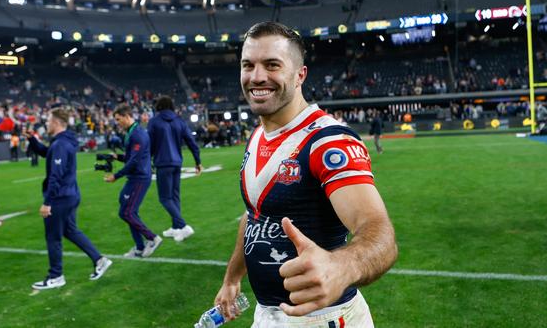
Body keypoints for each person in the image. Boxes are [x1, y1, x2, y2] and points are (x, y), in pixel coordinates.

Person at [213, 22, 397, 326]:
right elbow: (255, 215)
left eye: (272, 65)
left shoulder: (328, 141)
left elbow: (378, 231)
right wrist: (232, 278)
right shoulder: (258, 135)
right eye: (248, 65)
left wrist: (342, 267)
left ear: (300, 75)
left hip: (323, 319)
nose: (257, 76)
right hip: (267, 315)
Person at [27, 107, 112, 289]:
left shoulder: (60, 144)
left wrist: (47, 203)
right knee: (70, 231)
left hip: (60, 198)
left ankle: (56, 276)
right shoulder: (63, 142)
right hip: (70, 194)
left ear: (57, 122)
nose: (47, 123)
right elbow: (47, 154)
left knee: (53, 236)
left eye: (49, 120)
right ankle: (99, 260)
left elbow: (55, 176)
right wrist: (32, 140)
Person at [104, 105, 163, 258]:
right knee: (128, 209)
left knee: (126, 212)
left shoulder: (138, 134)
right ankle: (139, 247)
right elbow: (131, 158)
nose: (117, 123)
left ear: (127, 116)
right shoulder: (131, 132)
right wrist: (118, 157)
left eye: (118, 119)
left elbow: (134, 162)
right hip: (135, 177)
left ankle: (152, 238)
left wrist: (115, 176)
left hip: (140, 178)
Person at [148, 96, 202, 242]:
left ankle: (183, 226)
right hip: (177, 163)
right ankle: (176, 228)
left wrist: (148, 161)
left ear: (158, 107)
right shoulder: (179, 121)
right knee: (174, 196)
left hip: (162, 163)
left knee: (165, 198)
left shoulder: (154, 122)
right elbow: (191, 142)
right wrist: (198, 161)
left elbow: (150, 145)